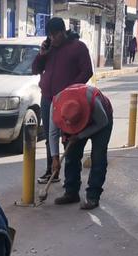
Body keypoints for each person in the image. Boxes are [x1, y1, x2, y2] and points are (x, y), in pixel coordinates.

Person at [32, 17, 93, 185]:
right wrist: (41, 55)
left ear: (63, 32)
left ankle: (71, 180)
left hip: (68, 101)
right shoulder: (49, 48)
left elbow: (87, 71)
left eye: (55, 35)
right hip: (48, 98)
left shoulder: (78, 47)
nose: (52, 39)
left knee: (68, 137)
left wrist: (69, 91)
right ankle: (52, 169)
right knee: (50, 135)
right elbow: (35, 69)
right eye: (50, 36)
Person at [49, 83, 113, 210]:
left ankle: (93, 196)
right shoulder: (56, 105)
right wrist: (55, 157)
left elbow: (102, 122)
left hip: (101, 122)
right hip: (77, 119)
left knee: (98, 157)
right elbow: (53, 133)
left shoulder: (94, 103)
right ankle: (71, 192)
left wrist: (80, 135)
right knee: (71, 155)